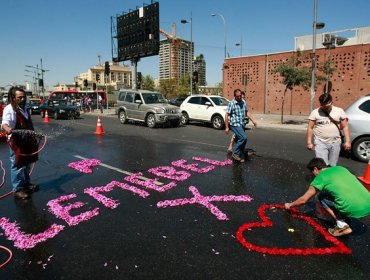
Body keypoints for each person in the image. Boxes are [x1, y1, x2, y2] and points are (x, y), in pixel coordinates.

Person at [285, 158, 370, 237]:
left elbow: (303, 200)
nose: (313, 175)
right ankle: (345, 215)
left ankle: (342, 224)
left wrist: (290, 205)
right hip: (368, 203)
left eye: (313, 173)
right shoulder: (340, 168)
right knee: (333, 194)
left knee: (321, 197)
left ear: (315, 169)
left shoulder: (320, 177)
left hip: (353, 208)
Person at [1, 87, 39, 199]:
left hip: (28, 141)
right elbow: (5, 123)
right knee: (17, 165)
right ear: (13, 98)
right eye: (20, 97)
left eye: (24, 97)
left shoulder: (25, 108)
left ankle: (26, 184)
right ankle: (17, 189)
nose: (23, 99)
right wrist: (6, 128)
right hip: (17, 142)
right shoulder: (9, 109)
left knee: (28, 163)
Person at [307, 93, 351, 166]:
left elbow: (345, 127)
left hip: (335, 142)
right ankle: (323, 177)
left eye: (326, 106)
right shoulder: (315, 112)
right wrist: (309, 142)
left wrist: (348, 141)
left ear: (331, 102)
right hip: (320, 142)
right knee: (322, 164)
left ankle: (330, 176)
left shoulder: (339, 111)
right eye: (322, 106)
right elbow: (310, 128)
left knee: (333, 164)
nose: (325, 108)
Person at [225, 89, 256, 162]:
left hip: (241, 124)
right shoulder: (231, 103)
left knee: (242, 140)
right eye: (237, 96)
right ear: (235, 96)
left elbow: (247, 112)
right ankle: (235, 153)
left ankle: (240, 155)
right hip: (234, 124)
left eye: (240, 96)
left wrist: (253, 121)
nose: (239, 97)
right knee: (243, 137)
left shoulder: (243, 102)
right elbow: (226, 115)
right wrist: (227, 127)